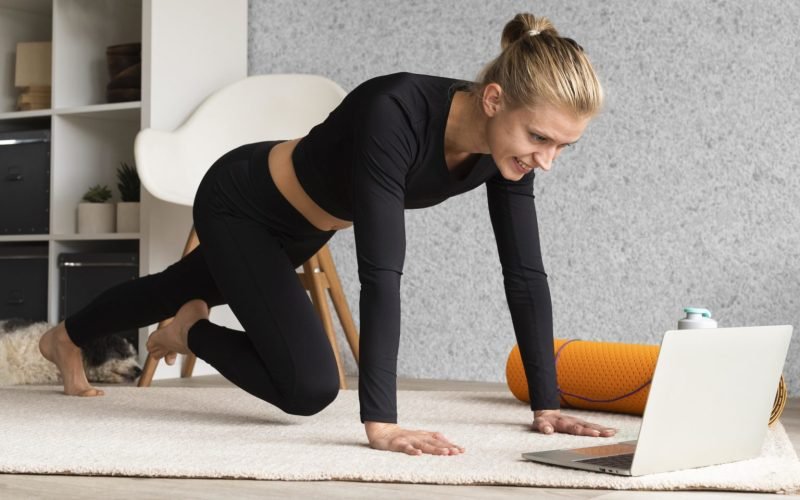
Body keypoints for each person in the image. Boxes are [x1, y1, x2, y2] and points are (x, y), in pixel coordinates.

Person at [39, 13, 617, 456]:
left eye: (564, 146)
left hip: (302, 231)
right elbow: (382, 272)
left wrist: (547, 404)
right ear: (494, 100)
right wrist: (381, 421)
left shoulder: (504, 152)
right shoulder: (395, 109)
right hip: (242, 202)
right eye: (541, 139)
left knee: (175, 285)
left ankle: (67, 338)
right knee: (310, 387)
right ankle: (192, 333)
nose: (548, 161)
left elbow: (523, 273)